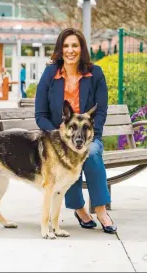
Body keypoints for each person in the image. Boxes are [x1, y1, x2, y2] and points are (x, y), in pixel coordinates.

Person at [34, 28, 117, 234]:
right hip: (58, 137)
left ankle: (100, 211)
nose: (70, 50)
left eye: (75, 46)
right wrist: (59, 136)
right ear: (60, 49)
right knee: (65, 159)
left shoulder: (95, 73)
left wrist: (90, 136)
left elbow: (101, 110)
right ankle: (80, 210)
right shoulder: (50, 74)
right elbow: (40, 114)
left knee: (92, 153)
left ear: (81, 49)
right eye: (66, 46)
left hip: (87, 135)